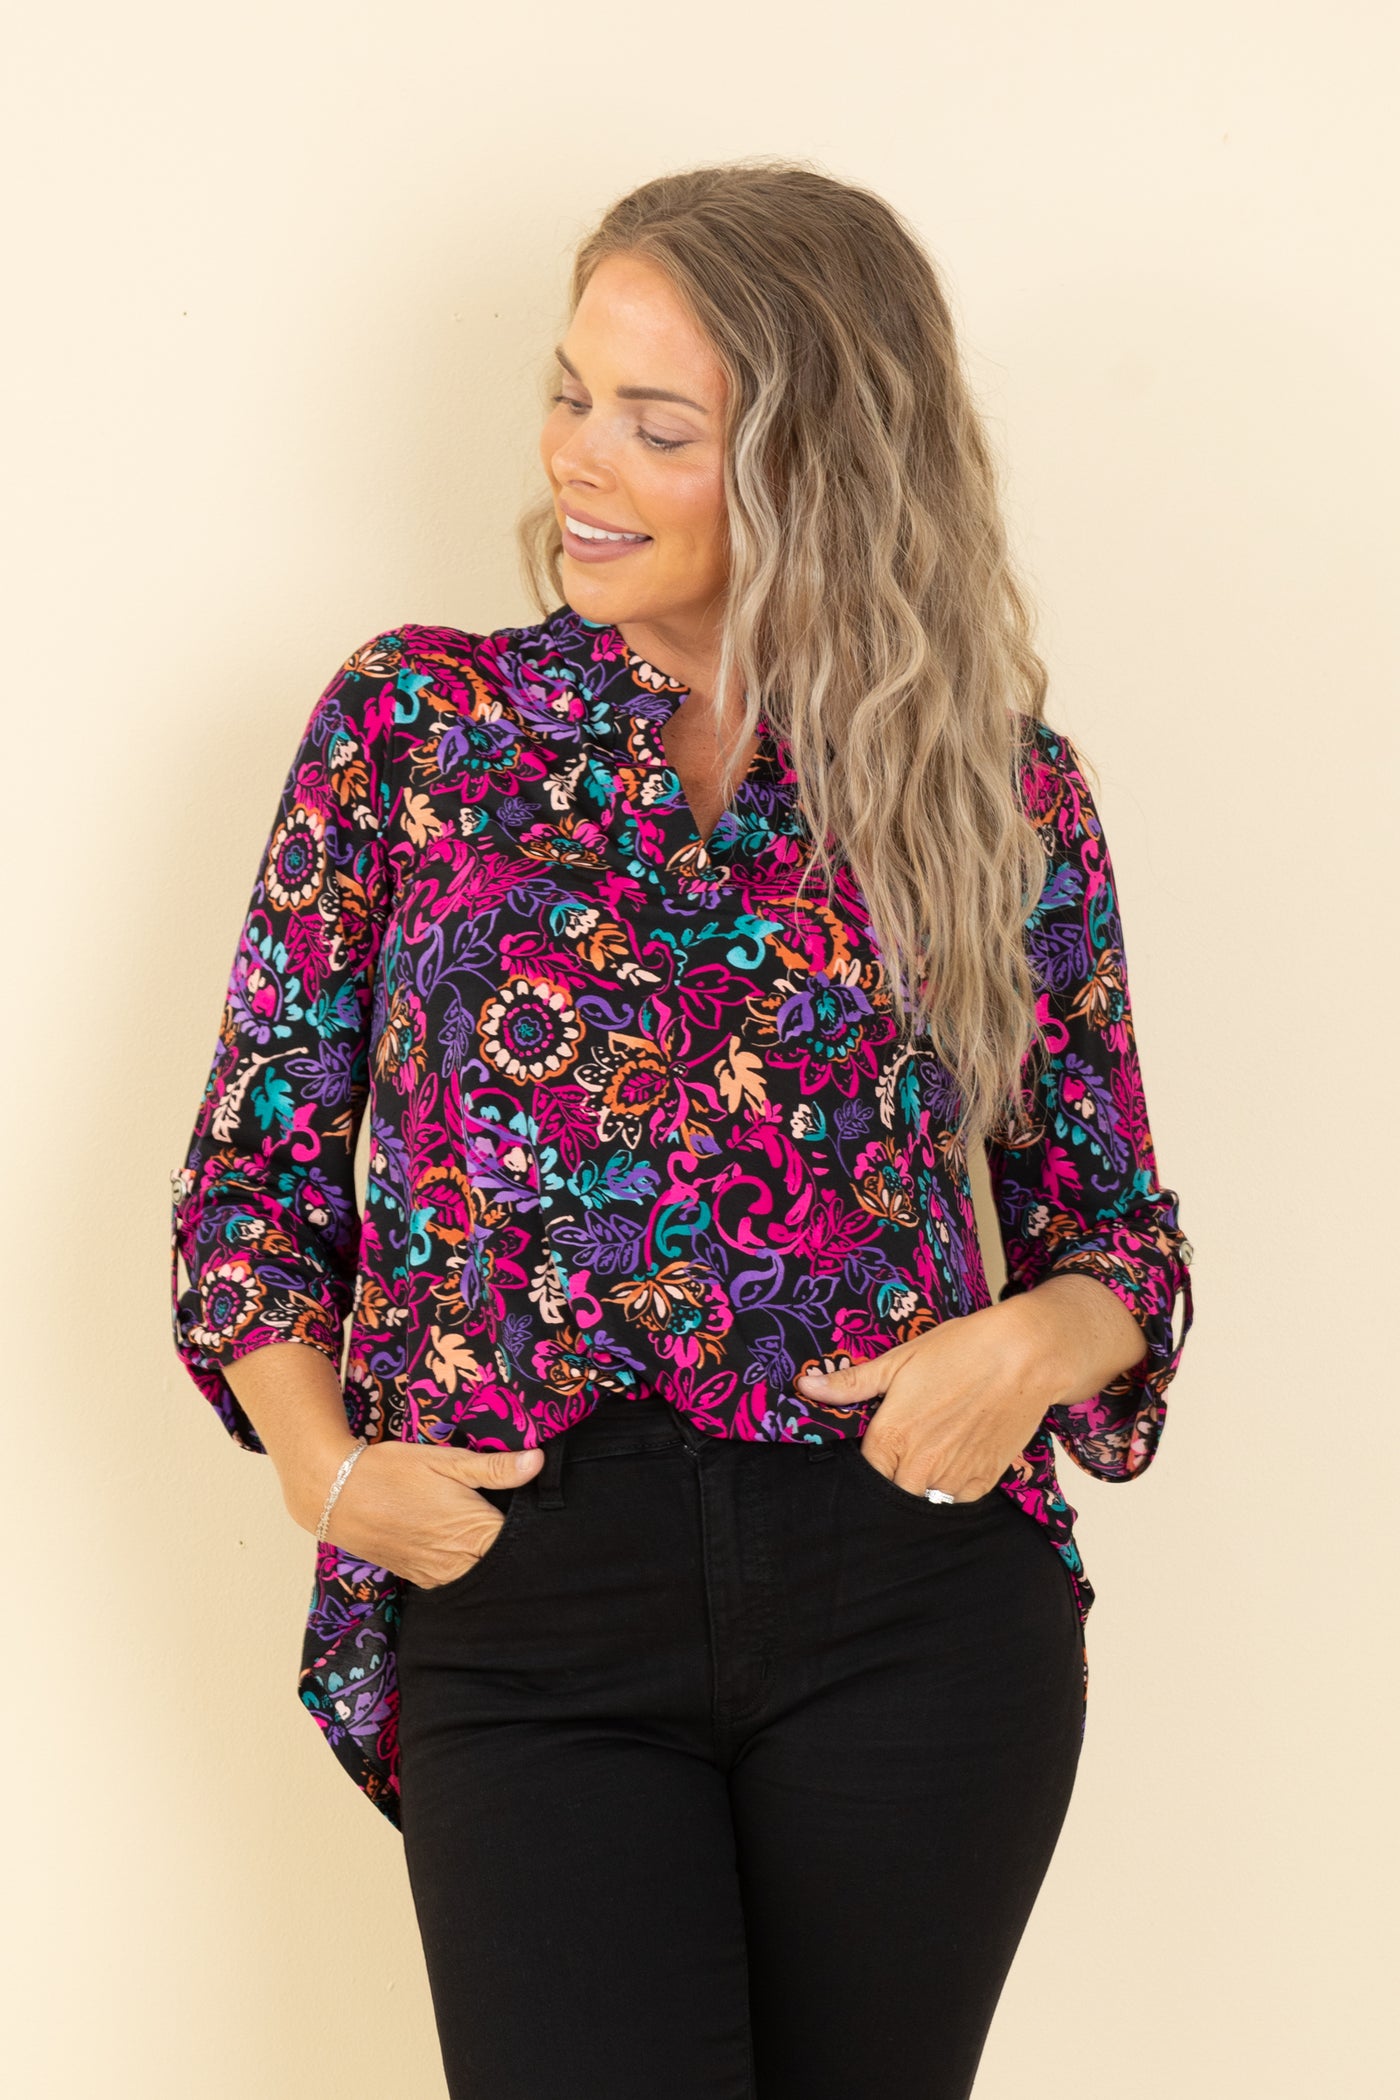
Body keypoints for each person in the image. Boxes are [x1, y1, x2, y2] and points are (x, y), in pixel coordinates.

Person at [169, 160, 1194, 2100]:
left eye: (659, 426)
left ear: (822, 466)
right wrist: (321, 1464)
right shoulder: (416, 729)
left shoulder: (990, 786)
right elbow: (252, 1177)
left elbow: (1116, 1230)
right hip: (528, 1583)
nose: (580, 459)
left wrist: (1032, 1345)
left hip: (908, 1594)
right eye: (573, 396)